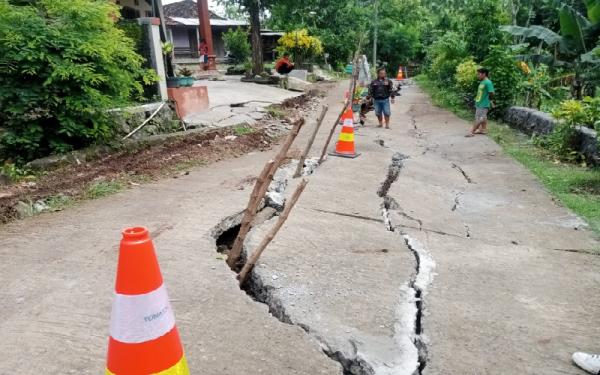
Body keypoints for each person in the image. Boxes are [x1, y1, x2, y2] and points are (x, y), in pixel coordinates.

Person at [466, 67, 495, 137]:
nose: (478, 75)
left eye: (479, 74)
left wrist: (490, 101)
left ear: (484, 74)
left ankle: (472, 131)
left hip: (484, 104)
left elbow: (491, 92)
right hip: (479, 102)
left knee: (480, 118)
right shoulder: (482, 82)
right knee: (482, 117)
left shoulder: (488, 82)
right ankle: (483, 130)